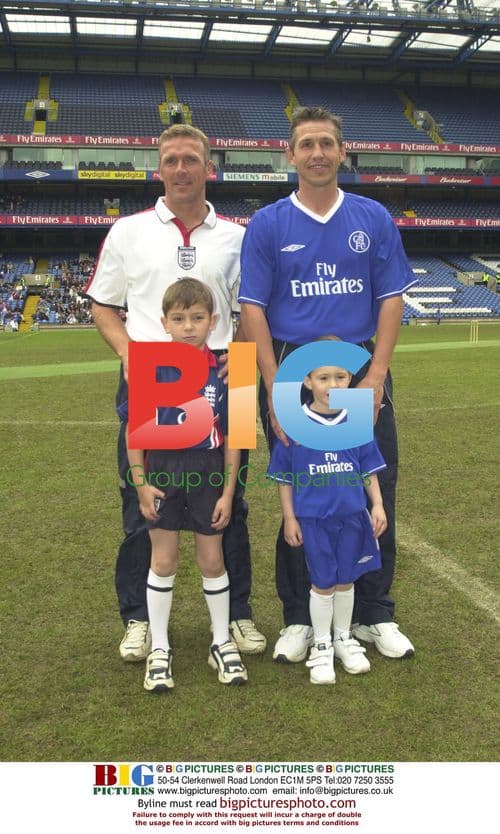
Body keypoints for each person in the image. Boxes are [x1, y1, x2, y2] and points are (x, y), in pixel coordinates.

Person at [239, 105, 416, 663]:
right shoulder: (268, 224)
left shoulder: (372, 217)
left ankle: (373, 612)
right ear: (289, 155)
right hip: (292, 369)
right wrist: (271, 385)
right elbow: (253, 308)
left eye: (326, 144)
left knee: (370, 486)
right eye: (306, 144)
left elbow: (391, 298)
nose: (317, 153)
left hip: (356, 366)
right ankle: (298, 616)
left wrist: (378, 373)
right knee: (304, 489)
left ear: (343, 153)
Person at [86, 123, 265, 663]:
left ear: (209, 166)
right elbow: (103, 305)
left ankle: (236, 614)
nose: (182, 169)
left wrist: (244, 373)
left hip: (226, 375)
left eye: (192, 159)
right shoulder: (127, 231)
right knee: (142, 501)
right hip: (154, 381)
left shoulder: (238, 236)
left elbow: (250, 312)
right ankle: (138, 619)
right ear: (158, 168)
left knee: (231, 502)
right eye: (172, 160)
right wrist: (131, 357)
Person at [120, 279, 247, 690]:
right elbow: (134, 430)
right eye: (179, 318)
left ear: (214, 321)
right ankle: (160, 647)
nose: (189, 326)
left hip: (210, 474)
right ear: (164, 322)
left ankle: (221, 641)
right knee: (163, 561)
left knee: (212, 560)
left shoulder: (236, 368)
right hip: (163, 474)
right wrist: (140, 484)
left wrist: (229, 492)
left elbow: (238, 437)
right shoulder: (148, 365)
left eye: (197, 318)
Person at [267, 353, 387, 684]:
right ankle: (321, 644)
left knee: (346, 579)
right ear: (307, 382)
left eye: (340, 377)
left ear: (350, 380)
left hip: (352, 516)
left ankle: (343, 637)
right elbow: (285, 478)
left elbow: (368, 470)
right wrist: (289, 517)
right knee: (322, 582)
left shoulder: (356, 423)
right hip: (314, 519)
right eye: (323, 378)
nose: (332, 385)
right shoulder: (295, 426)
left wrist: (376, 505)